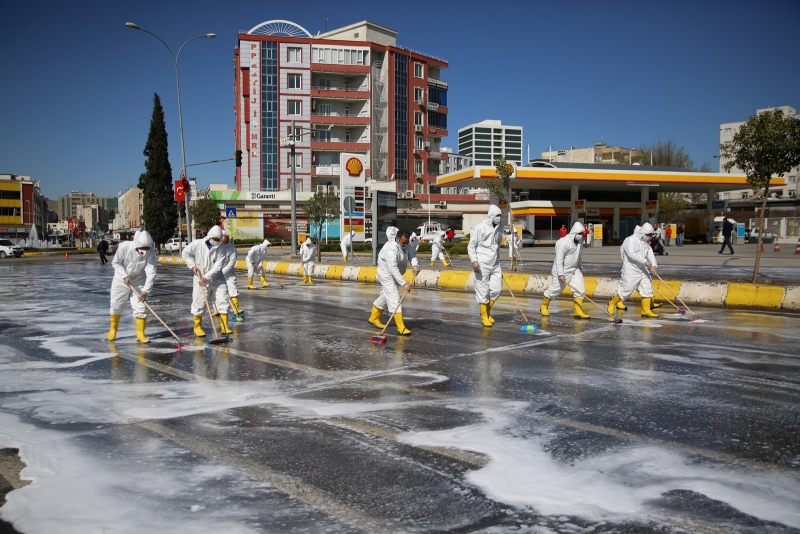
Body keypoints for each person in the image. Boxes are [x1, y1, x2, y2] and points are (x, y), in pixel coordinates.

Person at [182, 225, 233, 337]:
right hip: (200, 277)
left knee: (223, 300)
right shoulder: (197, 244)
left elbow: (218, 266)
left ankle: (225, 327)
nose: (216, 241)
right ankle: (197, 327)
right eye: (214, 239)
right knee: (199, 302)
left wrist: (207, 277)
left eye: (218, 240)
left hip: (217, 278)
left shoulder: (222, 248)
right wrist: (192, 266)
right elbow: (185, 253)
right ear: (209, 237)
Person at [107, 230, 156, 343]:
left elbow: (151, 271)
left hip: (139, 279)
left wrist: (145, 291)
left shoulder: (151, 252)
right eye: (143, 248)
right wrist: (124, 276)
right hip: (121, 278)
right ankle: (113, 329)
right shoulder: (124, 247)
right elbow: (116, 263)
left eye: (147, 248)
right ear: (137, 245)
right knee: (116, 304)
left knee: (141, 306)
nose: (145, 250)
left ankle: (140, 334)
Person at [369, 227, 417, 335]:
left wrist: (415, 265)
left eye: (406, 243)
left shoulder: (406, 243)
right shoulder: (390, 249)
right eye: (403, 243)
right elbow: (393, 268)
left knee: (386, 295)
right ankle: (401, 327)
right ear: (397, 239)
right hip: (386, 273)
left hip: (396, 274)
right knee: (395, 297)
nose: (405, 245)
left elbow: (411, 253)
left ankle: (373, 317)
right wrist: (404, 284)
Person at [607, 222, 660, 318]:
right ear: (643, 233)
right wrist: (645, 261)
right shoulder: (630, 240)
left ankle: (646, 310)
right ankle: (612, 303)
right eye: (648, 235)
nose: (650, 237)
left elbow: (650, 254)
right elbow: (631, 254)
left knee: (647, 288)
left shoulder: (646, 243)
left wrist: (654, 266)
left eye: (651, 235)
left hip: (642, 269)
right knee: (626, 290)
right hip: (631, 269)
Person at [541, 222, 589, 319]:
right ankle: (544, 306)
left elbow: (579, 255)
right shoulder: (563, 242)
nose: (581, 236)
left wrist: (580, 267)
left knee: (580, 289)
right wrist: (561, 274)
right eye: (579, 234)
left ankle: (578, 311)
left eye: (582, 234)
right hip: (562, 270)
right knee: (555, 290)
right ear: (574, 233)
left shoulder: (580, 242)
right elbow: (559, 259)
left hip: (574, 269)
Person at [469, 205, 503, 327]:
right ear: (491, 216)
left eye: (500, 216)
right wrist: (474, 262)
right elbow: (471, 246)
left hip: (495, 265)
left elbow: (497, 247)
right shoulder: (480, 228)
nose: (499, 218)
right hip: (481, 265)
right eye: (497, 216)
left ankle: (487, 312)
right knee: (483, 291)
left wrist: (498, 262)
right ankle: (484, 317)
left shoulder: (500, 229)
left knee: (497, 289)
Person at [212, 231, 242, 317]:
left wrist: (222, 272)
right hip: (216, 273)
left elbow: (232, 262)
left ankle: (236, 309)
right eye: (223, 242)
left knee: (233, 290)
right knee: (216, 292)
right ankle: (217, 310)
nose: (225, 244)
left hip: (229, 273)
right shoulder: (215, 246)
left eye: (226, 242)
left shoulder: (232, 248)